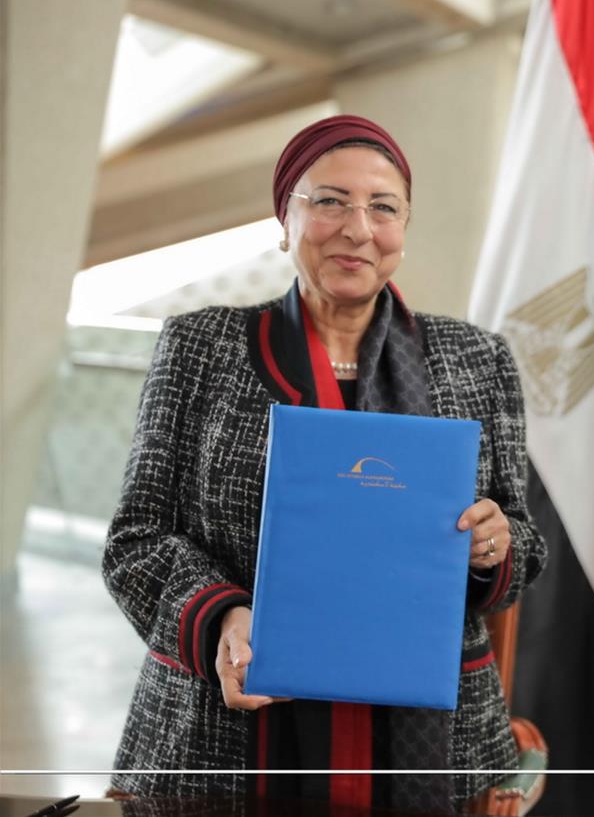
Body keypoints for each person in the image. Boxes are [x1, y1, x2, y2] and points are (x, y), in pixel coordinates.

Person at [102, 115, 546, 813]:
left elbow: (523, 537)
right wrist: (222, 616)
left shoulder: (476, 358)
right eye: (330, 201)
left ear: (404, 226)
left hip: (436, 734)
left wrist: (495, 543)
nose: (358, 228)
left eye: (383, 207)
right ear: (285, 220)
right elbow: (135, 540)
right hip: (225, 726)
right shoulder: (200, 346)